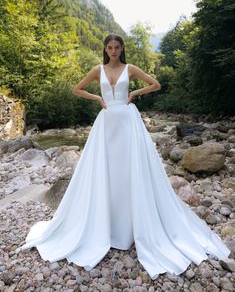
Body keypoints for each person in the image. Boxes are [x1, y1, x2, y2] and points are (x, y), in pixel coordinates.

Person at [17, 34, 231, 280]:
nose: (113, 51)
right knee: (106, 173)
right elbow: (77, 89)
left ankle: (131, 227)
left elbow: (156, 84)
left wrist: (135, 93)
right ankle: (105, 224)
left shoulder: (131, 68)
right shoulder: (98, 69)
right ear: (105, 49)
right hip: (107, 124)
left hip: (128, 124)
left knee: (129, 172)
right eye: (110, 47)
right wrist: (96, 97)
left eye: (117, 47)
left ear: (122, 49)